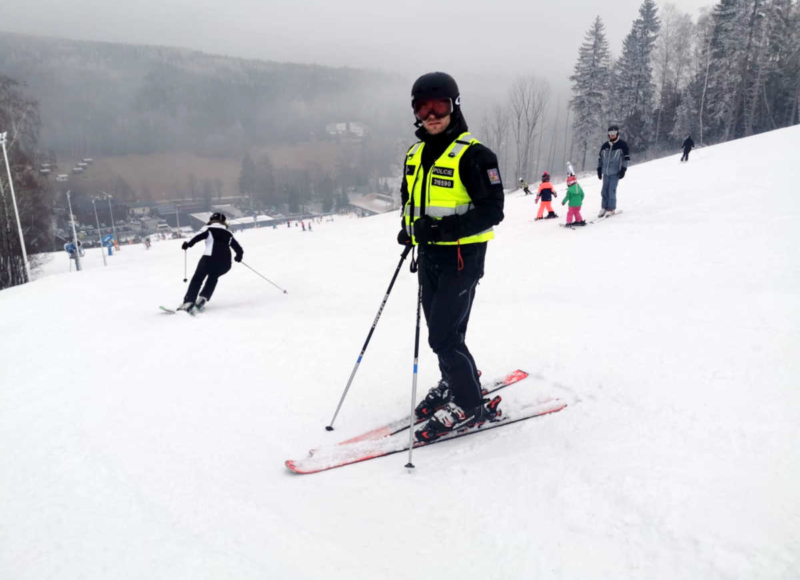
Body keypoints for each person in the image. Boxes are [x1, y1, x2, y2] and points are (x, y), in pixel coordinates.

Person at [397, 71, 504, 442]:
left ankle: (469, 402)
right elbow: (411, 199)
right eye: (422, 108)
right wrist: (410, 229)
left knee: (443, 335)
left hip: (463, 257)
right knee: (444, 330)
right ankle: (454, 379)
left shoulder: (476, 156)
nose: (431, 115)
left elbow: (493, 210)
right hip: (429, 256)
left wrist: (440, 231)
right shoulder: (415, 153)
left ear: (454, 105)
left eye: (439, 105)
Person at [178, 212, 243, 312]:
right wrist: (238, 257)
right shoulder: (228, 233)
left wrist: (188, 244)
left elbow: (197, 237)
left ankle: (189, 302)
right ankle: (203, 298)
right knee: (213, 277)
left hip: (209, 259)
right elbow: (239, 249)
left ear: (211, 219)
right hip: (225, 263)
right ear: (223, 222)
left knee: (197, 279)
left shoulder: (208, 228)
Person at [597, 124, 630, 217]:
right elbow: (600, 158)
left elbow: (626, 158)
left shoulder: (622, 145)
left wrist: (623, 169)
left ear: (617, 133)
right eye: (610, 133)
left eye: (614, 133)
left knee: (611, 190)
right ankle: (604, 207)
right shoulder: (605, 145)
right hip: (606, 172)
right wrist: (599, 169)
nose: (612, 135)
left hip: (615, 172)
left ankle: (611, 208)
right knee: (604, 190)